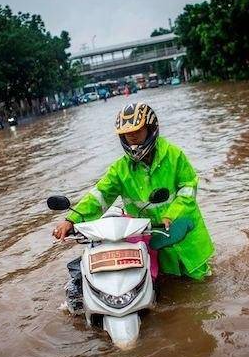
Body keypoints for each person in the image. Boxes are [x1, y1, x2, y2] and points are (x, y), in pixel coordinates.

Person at [53, 102, 214, 311]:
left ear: (150, 128)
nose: (133, 137)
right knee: (165, 297)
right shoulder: (120, 169)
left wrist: (172, 214)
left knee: (205, 298)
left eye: (137, 131)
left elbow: (188, 189)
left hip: (186, 239)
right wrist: (71, 220)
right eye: (128, 134)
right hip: (153, 242)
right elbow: (99, 196)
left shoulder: (174, 156)